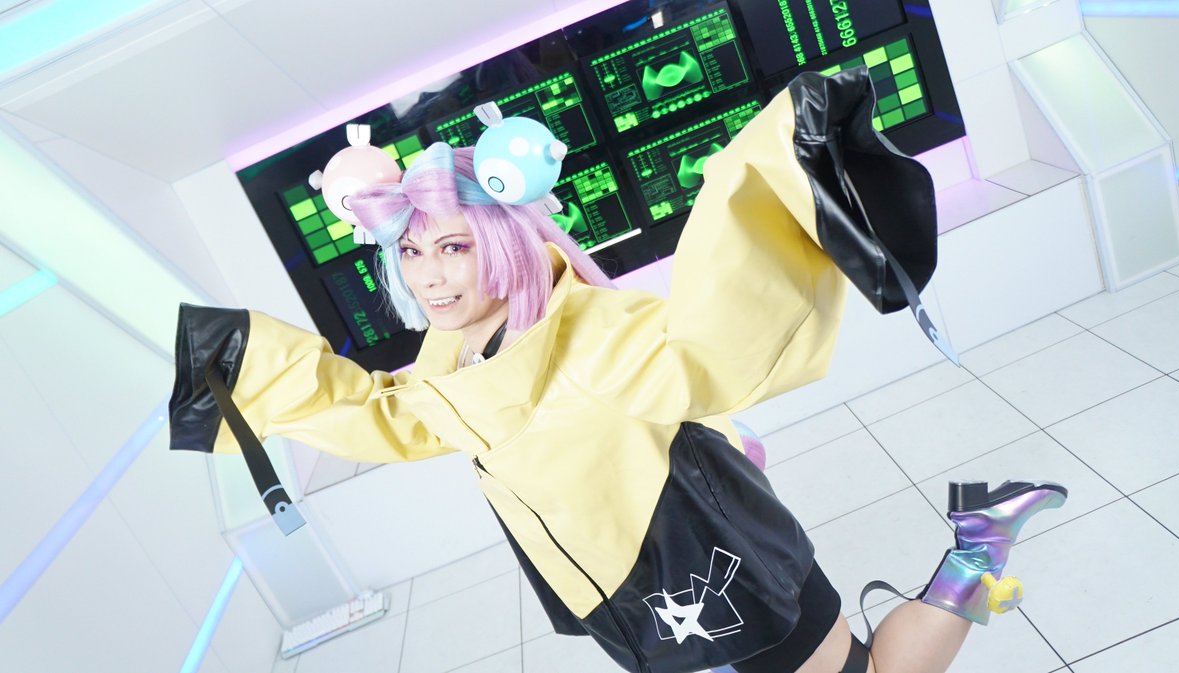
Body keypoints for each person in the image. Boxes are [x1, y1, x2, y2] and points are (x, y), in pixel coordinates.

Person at [169, 69, 1066, 673]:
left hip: (707, 559)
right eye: (411, 251)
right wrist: (234, 366)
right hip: (629, 580)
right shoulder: (450, 358)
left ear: (505, 243)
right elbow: (384, 417)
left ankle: (979, 543)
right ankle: (979, 541)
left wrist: (788, 163)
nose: (431, 275)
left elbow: (707, 347)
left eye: (454, 246)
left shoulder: (586, 329)